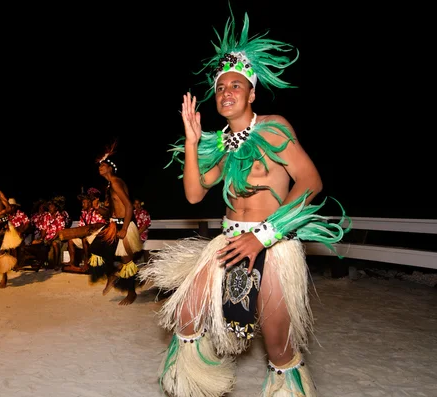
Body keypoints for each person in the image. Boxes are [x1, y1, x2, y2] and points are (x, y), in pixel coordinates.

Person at [137, 9, 350, 397]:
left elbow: (311, 182)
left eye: (236, 85)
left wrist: (264, 237)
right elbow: (194, 194)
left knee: (279, 346)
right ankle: (203, 384)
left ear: (251, 93)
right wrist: (191, 141)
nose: (227, 92)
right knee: (186, 315)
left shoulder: (273, 127)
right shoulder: (220, 144)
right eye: (220, 87)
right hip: (228, 243)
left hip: (274, 243)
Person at [88, 142, 143, 306]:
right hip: (114, 224)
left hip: (124, 225)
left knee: (127, 262)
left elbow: (128, 206)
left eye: (103, 165)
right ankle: (112, 273)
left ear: (111, 168)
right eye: (99, 166)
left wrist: (125, 229)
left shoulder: (117, 182)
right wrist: (100, 209)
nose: (100, 167)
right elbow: (113, 210)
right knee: (96, 247)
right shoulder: (109, 186)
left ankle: (131, 293)